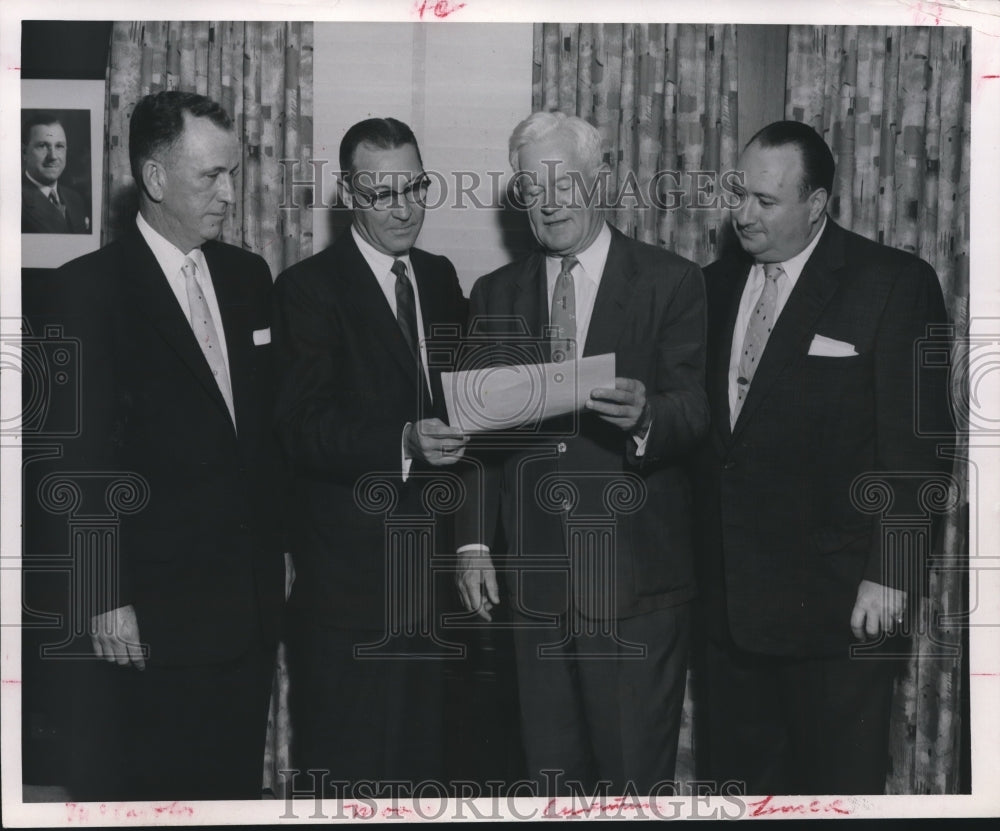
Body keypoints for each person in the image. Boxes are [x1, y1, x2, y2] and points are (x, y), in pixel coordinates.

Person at [454, 111, 709, 794]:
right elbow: (480, 435)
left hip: (634, 585)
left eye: (565, 181)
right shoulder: (494, 294)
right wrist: (475, 543)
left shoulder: (672, 282)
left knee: (630, 784)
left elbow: (698, 409)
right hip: (533, 590)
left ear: (601, 181)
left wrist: (649, 415)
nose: (552, 200)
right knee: (550, 780)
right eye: (534, 187)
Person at [696, 120, 950, 794]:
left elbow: (920, 451)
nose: (743, 214)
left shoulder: (893, 283)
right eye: (739, 194)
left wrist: (891, 574)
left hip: (839, 613)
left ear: (818, 205)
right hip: (730, 619)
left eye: (766, 201)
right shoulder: (714, 286)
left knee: (835, 792)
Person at [56, 91, 285, 800]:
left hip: (248, 609)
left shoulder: (249, 278)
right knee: (158, 792)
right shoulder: (86, 290)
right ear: (155, 179)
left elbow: (263, 435)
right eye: (210, 176)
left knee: (233, 791)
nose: (229, 193)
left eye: (233, 173)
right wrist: (104, 592)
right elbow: (78, 457)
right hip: (150, 614)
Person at [272, 117, 468, 794]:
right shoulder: (308, 289)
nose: (405, 205)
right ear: (351, 197)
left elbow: (466, 399)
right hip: (347, 592)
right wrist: (403, 440)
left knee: (420, 774)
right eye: (384, 193)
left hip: (429, 582)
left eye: (414, 185)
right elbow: (302, 428)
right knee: (347, 778)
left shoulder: (440, 278)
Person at [22, 112, 89, 234]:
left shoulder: (75, 199)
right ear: (24, 152)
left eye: (59, 146)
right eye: (42, 146)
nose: (53, 156)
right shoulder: (13, 203)